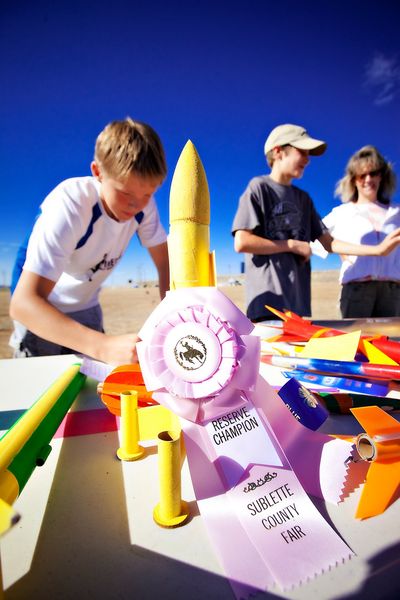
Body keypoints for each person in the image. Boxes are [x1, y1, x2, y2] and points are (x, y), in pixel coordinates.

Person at [9, 117, 169, 364]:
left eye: (148, 193)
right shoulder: (70, 203)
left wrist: (170, 314)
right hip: (41, 308)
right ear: (98, 173)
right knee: (41, 388)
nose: (136, 204)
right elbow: (23, 303)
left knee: (92, 392)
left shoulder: (143, 208)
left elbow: (165, 261)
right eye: (125, 192)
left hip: (86, 305)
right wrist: (102, 346)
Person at [231, 124, 400, 322]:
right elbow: (242, 242)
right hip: (267, 301)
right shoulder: (259, 188)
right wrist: (292, 245)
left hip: (297, 302)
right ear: (278, 151)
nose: (307, 160)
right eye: (302, 152)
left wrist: (378, 250)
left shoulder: (304, 199)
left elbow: (330, 243)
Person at [318, 145, 400, 318]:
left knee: (391, 343)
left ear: (382, 176)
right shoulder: (341, 213)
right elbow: (314, 242)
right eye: (362, 175)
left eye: (374, 173)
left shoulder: (397, 211)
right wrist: (342, 252)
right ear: (353, 180)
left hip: (393, 292)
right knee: (356, 342)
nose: (368, 179)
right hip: (356, 290)